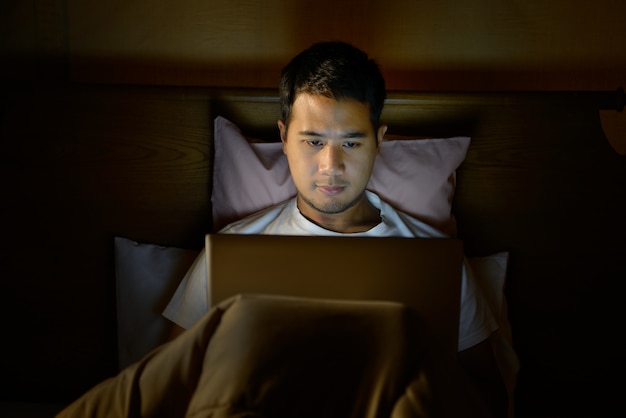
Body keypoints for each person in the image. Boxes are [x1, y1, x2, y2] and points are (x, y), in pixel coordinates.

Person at [163, 41, 507, 415]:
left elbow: (489, 398)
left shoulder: (435, 259)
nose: (331, 165)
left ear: (378, 140)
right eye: (313, 141)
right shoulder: (232, 249)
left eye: (351, 142)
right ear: (283, 137)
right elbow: (167, 387)